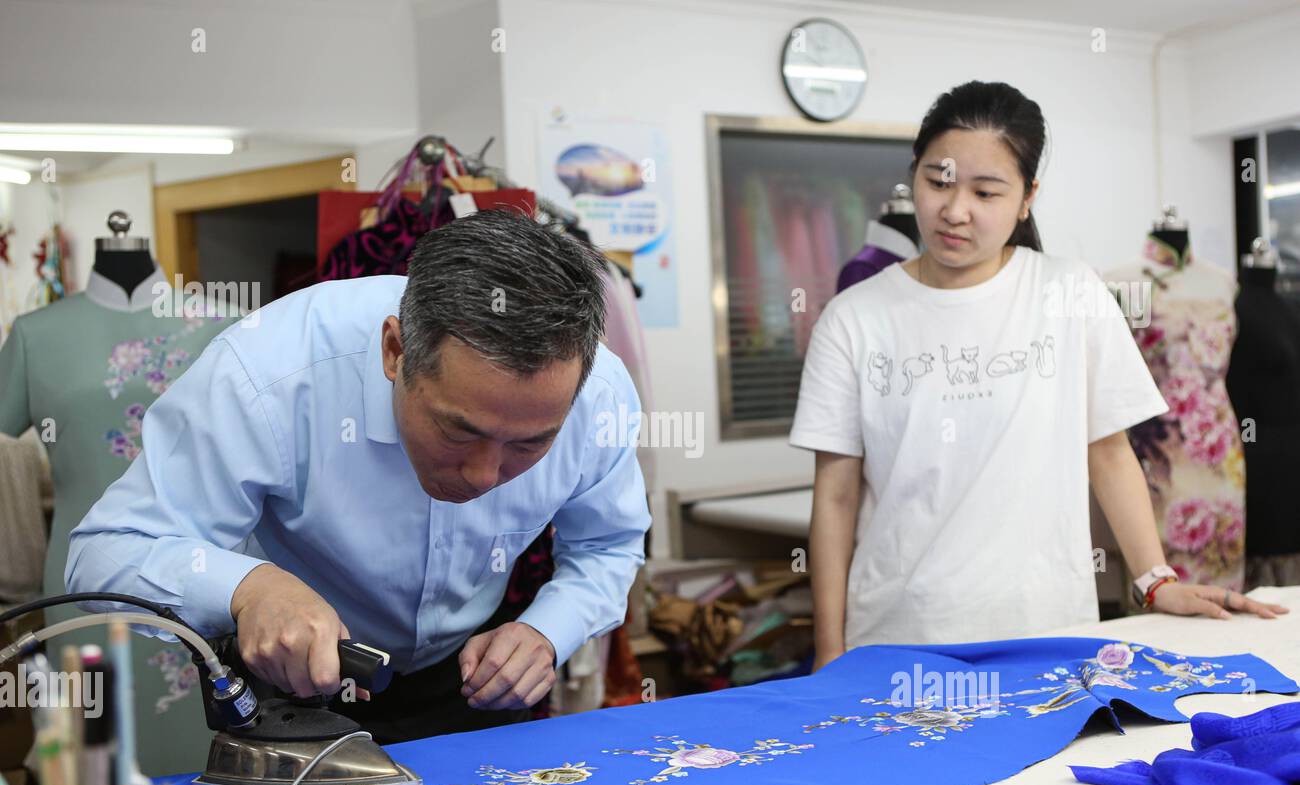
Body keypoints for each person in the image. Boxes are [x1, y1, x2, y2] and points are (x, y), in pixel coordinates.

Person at [67, 209, 651, 742]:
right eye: (458, 431)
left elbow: (608, 544)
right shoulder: (269, 372)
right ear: (395, 351)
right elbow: (106, 551)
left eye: (529, 443)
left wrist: (548, 631)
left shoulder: (598, 396)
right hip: (293, 677)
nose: (483, 476)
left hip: (476, 672)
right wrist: (249, 588)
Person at [791, 80, 1288, 670]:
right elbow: (837, 494)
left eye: (986, 191)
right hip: (898, 637)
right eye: (938, 181)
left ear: (1027, 198)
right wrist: (829, 651)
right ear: (915, 174)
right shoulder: (853, 318)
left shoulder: (1068, 291)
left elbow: (1108, 451)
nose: (955, 210)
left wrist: (1155, 580)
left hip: (1049, 629)